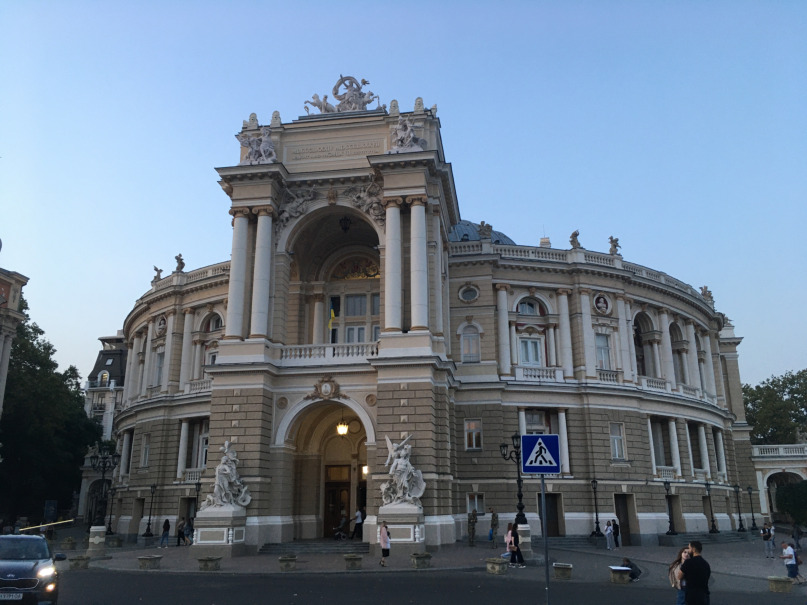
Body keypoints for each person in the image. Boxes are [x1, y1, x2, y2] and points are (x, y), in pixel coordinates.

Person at [678, 540, 710, 605]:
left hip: (692, 595)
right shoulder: (706, 564)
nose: (688, 551)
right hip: (704, 594)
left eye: (689, 548)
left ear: (693, 549)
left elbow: (679, 576)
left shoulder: (688, 562)